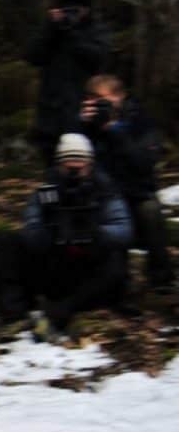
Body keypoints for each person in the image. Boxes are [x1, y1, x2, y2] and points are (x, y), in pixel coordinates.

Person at [0, 134, 132, 339]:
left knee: (117, 259)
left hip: (90, 269)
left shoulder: (105, 191)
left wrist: (98, 233)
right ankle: (15, 315)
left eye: (80, 165)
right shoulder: (47, 193)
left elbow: (124, 229)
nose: (75, 173)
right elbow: (30, 230)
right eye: (69, 167)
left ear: (90, 164)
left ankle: (65, 309)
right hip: (54, 263)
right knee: (6, 241)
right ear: (59, 165)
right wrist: (51, 229)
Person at [79, 74, 173, 292]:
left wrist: (114, 130)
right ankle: (115, 281)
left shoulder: (140, 122)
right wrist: (82, 127)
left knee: (151, 212)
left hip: (137, 193)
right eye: (93, 99)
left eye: (104, 99)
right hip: (102, 194)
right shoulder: (86, 124)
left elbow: (143, 163)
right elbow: (71, 161)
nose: (99, 105)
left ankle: (161, 278)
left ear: (120, 96)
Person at [25, 0, 109, 167]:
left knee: (85, 168)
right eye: (68, 9)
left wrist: (72, 34)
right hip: (51, 114)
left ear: (87, 9)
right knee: (53, 170)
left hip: (84, 113)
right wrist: (52, 29)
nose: (72, 14)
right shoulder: (52, 32)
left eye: (77, 10)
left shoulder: (96, 30)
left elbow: (98, 58)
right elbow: (32, 56)